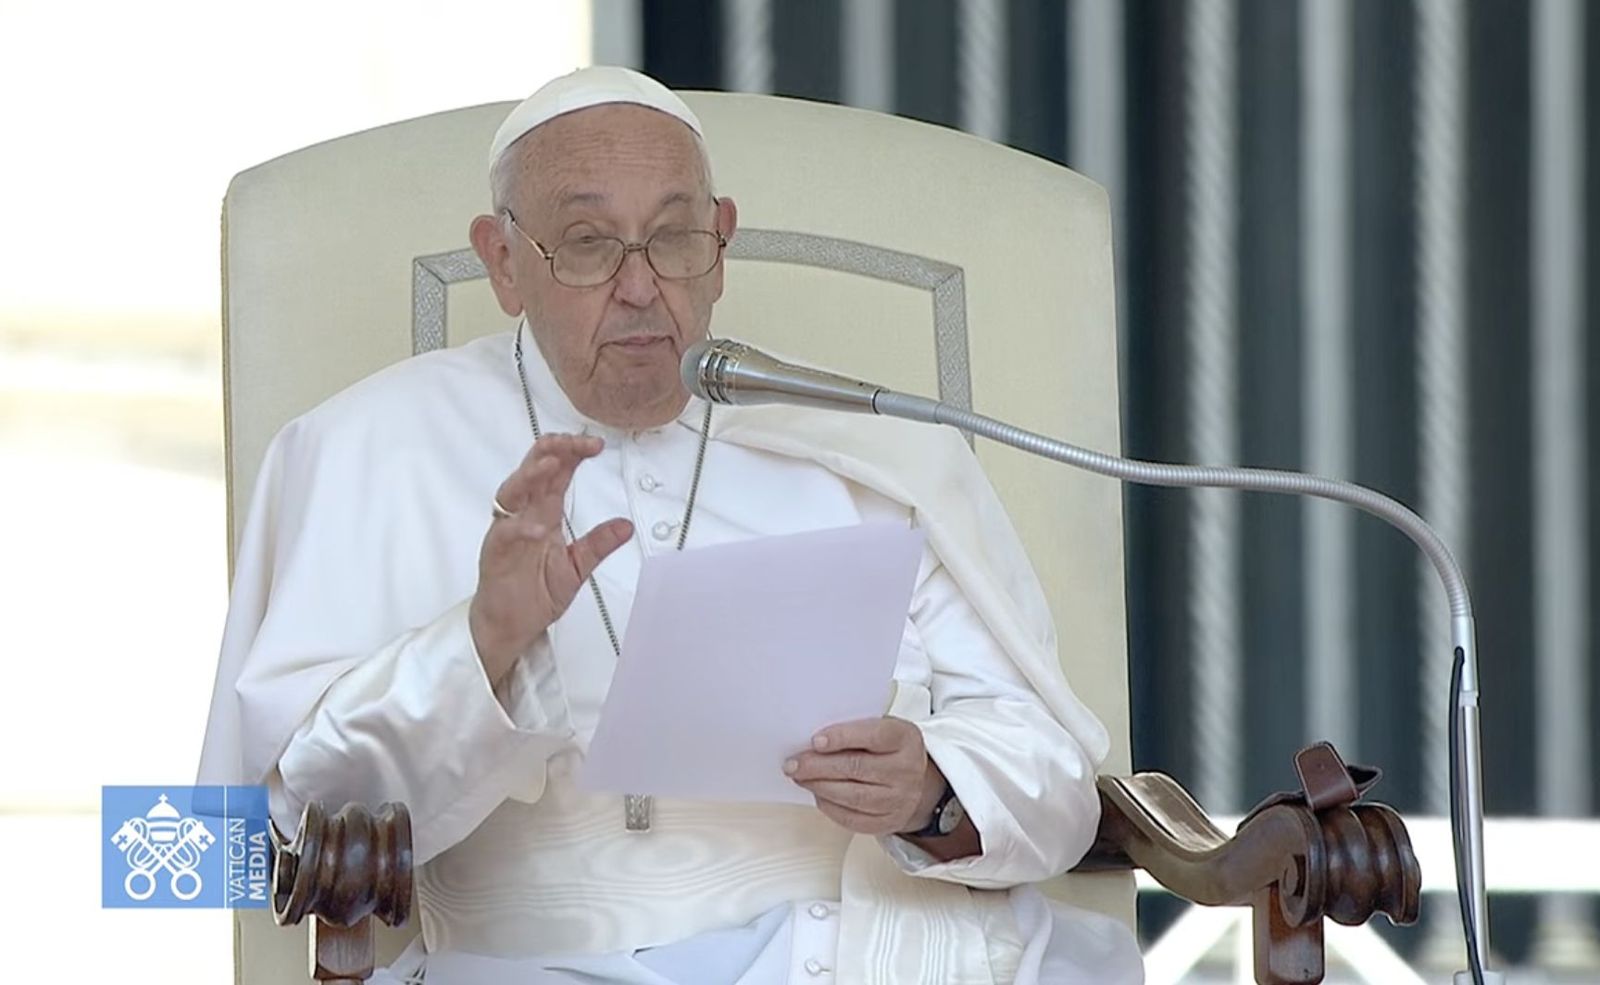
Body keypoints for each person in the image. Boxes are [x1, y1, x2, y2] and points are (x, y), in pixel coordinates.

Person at [198, 66, 1144, 985]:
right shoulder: (365, 447)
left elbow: (1052, 778)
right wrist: (482, 643)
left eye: (676, 238)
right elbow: (268, 831)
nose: (643, 286)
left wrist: (934, 791)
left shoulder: (868, 450)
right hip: (526, 957)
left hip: (873, 946)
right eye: (587, 243)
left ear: (723, 242)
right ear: (502, 262)